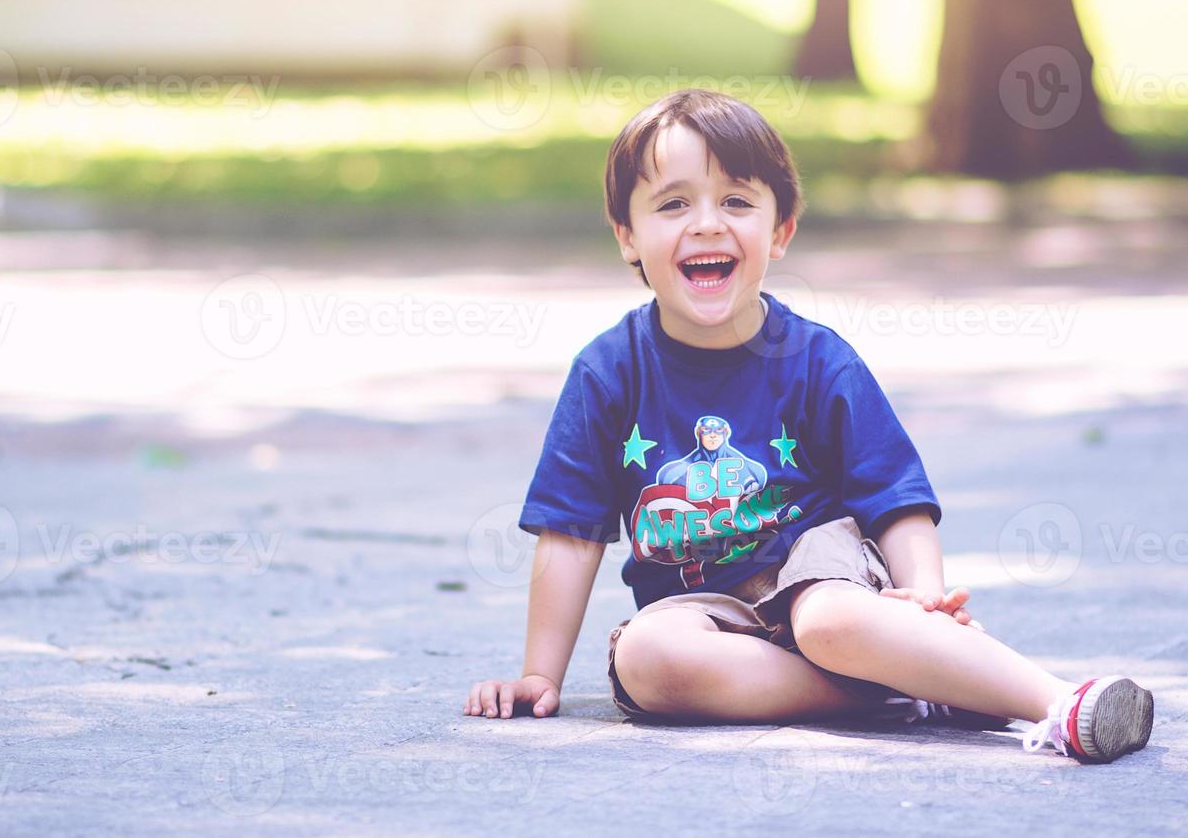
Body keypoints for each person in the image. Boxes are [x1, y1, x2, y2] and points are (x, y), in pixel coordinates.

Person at [461, 90, 1153, 763]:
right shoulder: (608, 372)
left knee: (829, 622)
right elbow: (571, 535)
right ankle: (901, 691)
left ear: (780, 231)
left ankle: (1059, 702)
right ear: (627, 237)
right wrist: (540, 676)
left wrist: (923, 595)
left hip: (822, 576)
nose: (705, 223)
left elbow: (895, 496)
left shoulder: (817, 358)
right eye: (673, 204)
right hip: (698, 608)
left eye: (736, 201)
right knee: (646, 658)